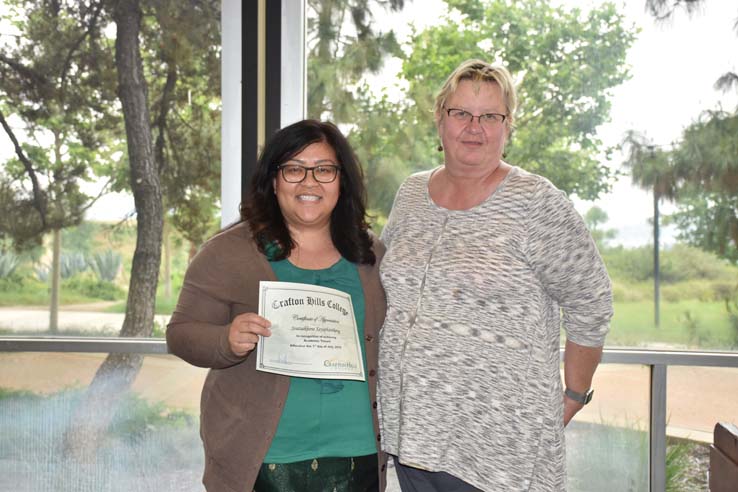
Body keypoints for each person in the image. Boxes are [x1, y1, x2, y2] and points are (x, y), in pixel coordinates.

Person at [377, 59, 614, 491]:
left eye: (490, 116)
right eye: (461, 113)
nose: (474, 127)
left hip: (500, 446)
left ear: (508, 126)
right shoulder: (411, 193)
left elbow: (591, 299)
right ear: (440, 119)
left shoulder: (535, 202)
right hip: (412, 433)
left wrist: (574, 395)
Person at [167, 119, 388, 492]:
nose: (309, 182)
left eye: (324, 170)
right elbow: (180, 334)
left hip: (359, 454)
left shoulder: (371, 254)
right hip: (264, 461)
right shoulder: (229, 251)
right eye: (294, 170)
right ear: (273, 180)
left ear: (342, 181)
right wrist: (226, 340)